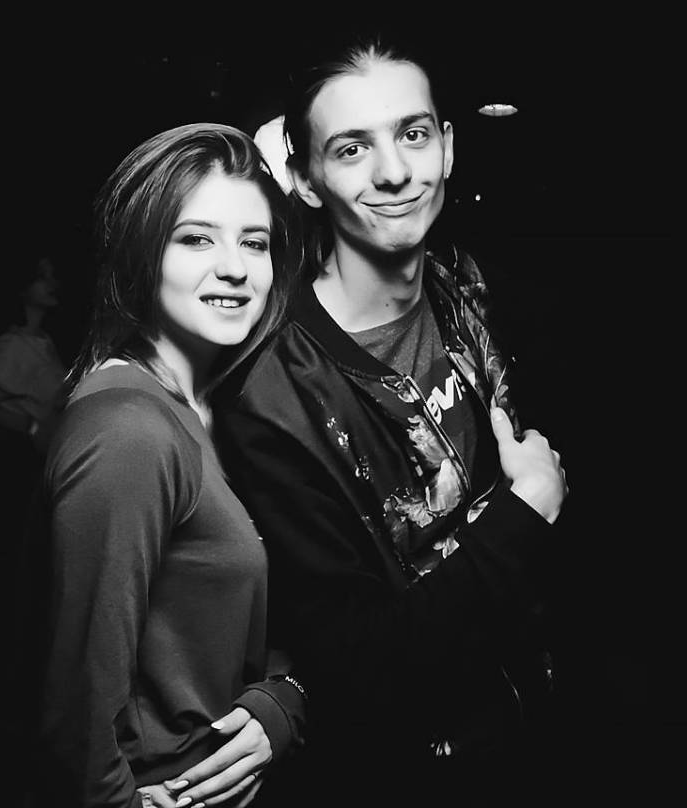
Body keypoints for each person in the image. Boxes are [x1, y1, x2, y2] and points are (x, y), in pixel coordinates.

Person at [212, 35, 568, 805]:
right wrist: (529, 509)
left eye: (413, 134)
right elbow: (357, 662)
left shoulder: (465, 286)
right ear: (306, 180)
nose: (395, 172)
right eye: (351, 149)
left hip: (532, 721)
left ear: (448, 146)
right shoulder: (274, 396)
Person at [18, 123, 305, 808]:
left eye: (254, 242)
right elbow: (78, 727)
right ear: (141, 254)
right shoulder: (129, 430)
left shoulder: (215, 408)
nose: (235, 268)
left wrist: (282, 701)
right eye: (196, 238)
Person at [0, 254, 68, 455]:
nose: (52, 283)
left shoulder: (46, 342)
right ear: (24, 285)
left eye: (52, 276)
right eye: (41, 277)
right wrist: (32, 427)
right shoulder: (11, 346)